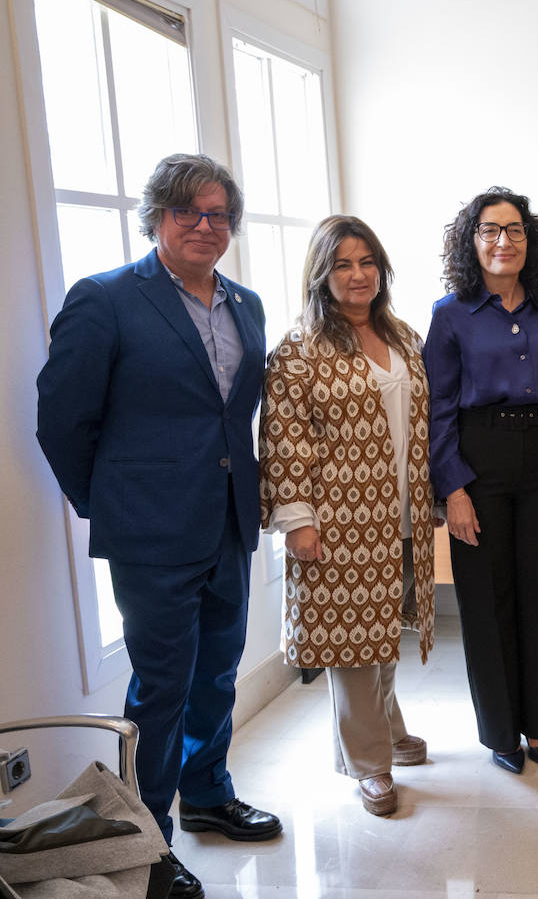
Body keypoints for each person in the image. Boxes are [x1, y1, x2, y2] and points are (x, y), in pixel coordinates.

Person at [36, 153, 278, 899]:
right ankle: (150, 843)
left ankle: (208, 792)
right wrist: (109, 504)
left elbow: (233, 415)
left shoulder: (246, 303)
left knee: (216, 674)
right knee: (160, 691)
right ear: (157, 219)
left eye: (218, 215)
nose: (205, 227)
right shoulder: (105, 299)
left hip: (229, 525)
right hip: (150, 535)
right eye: (187, 213)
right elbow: (62, 420)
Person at [259, 215, 436, 816]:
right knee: (352, 643)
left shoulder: (405, 337)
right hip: (339, 521)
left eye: (366, 263)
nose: (357, 275)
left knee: (381, 627)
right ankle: (369, 764)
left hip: (403, 515)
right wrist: (298, 520)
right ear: (320, 273)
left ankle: (383, 727)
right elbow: (284, 439)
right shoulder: (299, 349)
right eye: (342, 264)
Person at [423, 188, 538, 775]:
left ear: (529, 240)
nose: (502, 241)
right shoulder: (450, 314)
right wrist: (454, 489)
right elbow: (438, 407)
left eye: (514, 230)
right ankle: (500, 734)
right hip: (478, 459)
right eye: (490, 230)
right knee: (486, 600)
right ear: (472, 240)